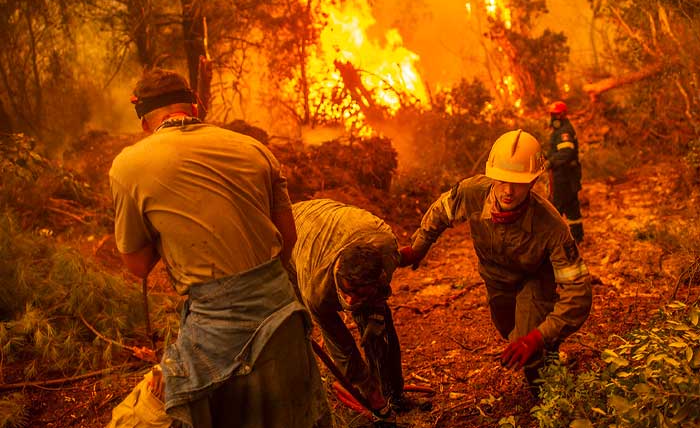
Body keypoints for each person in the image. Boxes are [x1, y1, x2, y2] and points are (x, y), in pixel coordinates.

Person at [109, 64, 331, 428]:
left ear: (144, 121)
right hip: (283, 322)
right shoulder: (255, 149)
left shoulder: (128, 166)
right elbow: (287, 238)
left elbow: (137, 266)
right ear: (196, 106)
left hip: (212, 333)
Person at [399, 130, 592, 392]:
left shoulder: (552, 226)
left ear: (534, 181)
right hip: (496, 281)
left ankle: (548, 393)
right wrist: (418, 247)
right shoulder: (471, 193)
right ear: (491, 175)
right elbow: (441, 212)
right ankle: (543, 345)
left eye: (519, 182)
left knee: (530, 349)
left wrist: (539, 336)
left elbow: (578, 293)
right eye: (501, 180)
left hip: (534, 280)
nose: (508, 191)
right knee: (508, 332)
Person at [287, 199, 410, 418]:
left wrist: (375, 317)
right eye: (347, 293)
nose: (351, 302)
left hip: (344, 223)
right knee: (297, 320)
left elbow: (379, 297)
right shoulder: (316, 289)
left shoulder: (386, 250)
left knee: (379, 328)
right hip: (292, 230)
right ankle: (306, 392)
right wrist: (366, 386)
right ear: (337, 276)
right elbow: (341, 346)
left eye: (360, 294)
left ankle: (394, 394)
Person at [546, 101, 584, 243]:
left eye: (555, 114)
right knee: (571, 207)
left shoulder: (564, 132)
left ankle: (552, 240)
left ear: (562, 114)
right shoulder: (560, 130)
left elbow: (566, 153)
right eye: (552, 114)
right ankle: (577, 237)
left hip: (564, 176)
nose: (553, 117)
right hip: (567, 175)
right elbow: (558, 152)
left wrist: (551, 162)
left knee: (555, 207)